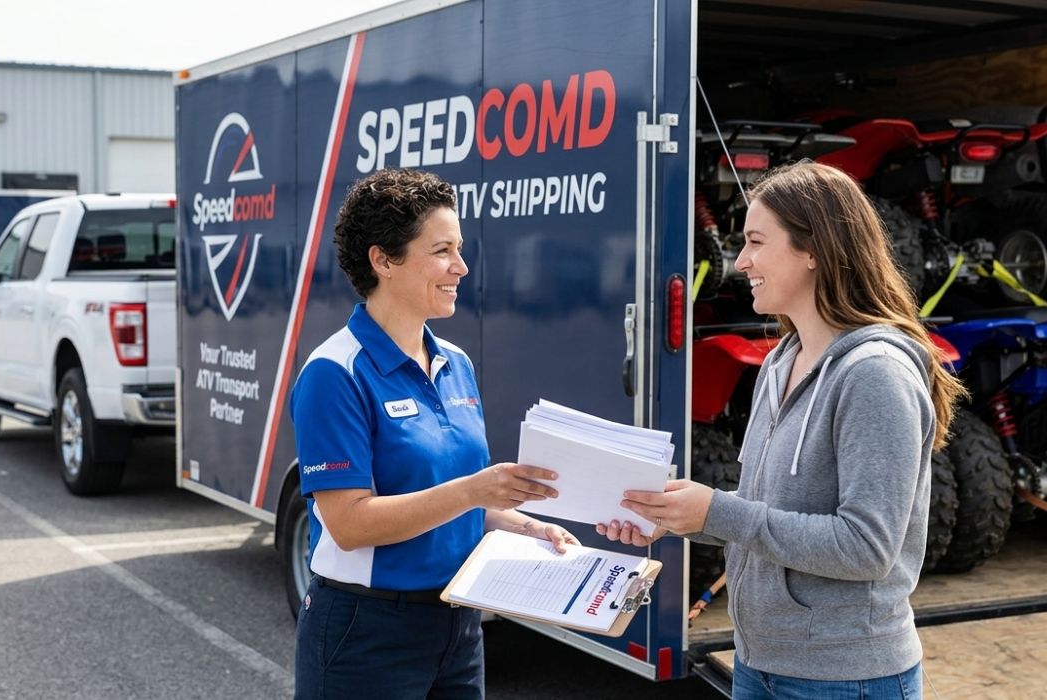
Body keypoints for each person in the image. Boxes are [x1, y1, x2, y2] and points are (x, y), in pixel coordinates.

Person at [601, 161, 966, 699]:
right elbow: (765, 509)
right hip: (760, 663)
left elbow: (867, 547)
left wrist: (716, 512)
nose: (741, 261)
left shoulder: (874, 375)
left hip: (844, 679)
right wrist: (677, 518)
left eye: (755, 241)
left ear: (814, 249)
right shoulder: (780, 361)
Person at [290, 168, 577, 700]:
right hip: (366, 633)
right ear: (383, 260)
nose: (461, 268)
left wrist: (526, 527)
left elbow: (461, 502)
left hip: (458, 623)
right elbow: (350, 524)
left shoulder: (456, 363)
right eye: (442, 250)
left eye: (460, 249)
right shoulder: (334, 372)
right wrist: (476, 489)